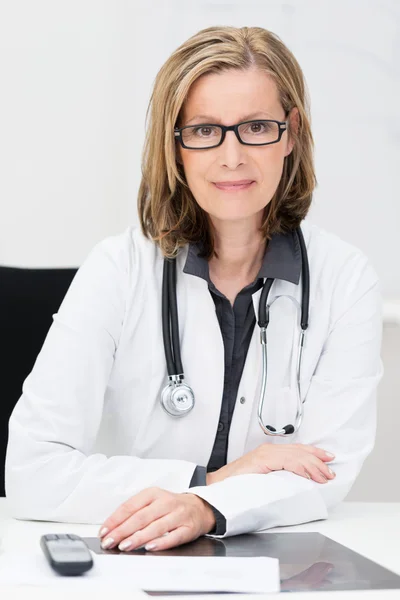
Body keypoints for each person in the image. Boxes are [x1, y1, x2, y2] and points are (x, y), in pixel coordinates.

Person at [5, 25, 383, 553]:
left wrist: (206, 506)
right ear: (175, 145)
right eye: (205, 131)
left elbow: (324, 475)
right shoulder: (118, 268)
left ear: (291, 133)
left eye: (255, 127)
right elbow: (32, 473)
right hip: (130, 561)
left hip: (276, 565)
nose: (231, 156)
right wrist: (211, 482)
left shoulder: (346, 279)